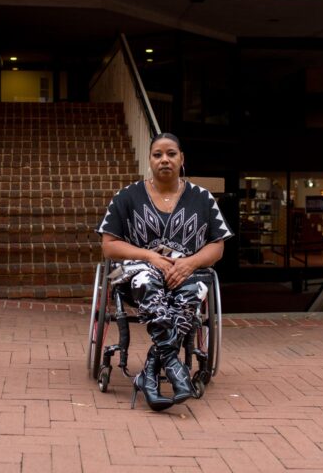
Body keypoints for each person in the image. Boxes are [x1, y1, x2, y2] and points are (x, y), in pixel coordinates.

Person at [97, 133, 233, 411]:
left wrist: (191, 262)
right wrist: (149, 256)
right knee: (148, 277)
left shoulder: (202, 198)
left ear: (182, 159)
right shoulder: (127, 196)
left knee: (194, 290)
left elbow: (217, 247)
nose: (164, 160)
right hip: (135, 275)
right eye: (157, 154)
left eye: (171, 154)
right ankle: (172, 362)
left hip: (186, 274)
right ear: (150, 160)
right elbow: (109, 247)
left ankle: (150, 371)